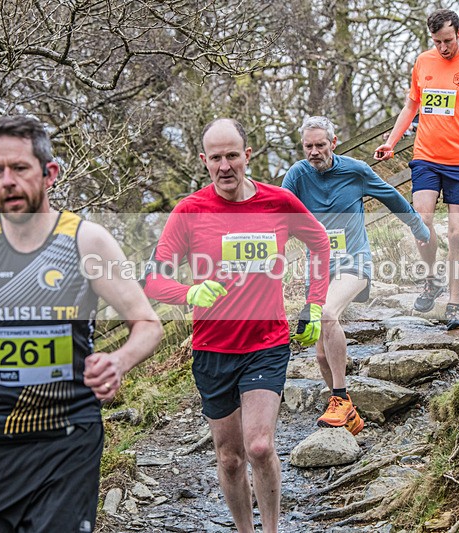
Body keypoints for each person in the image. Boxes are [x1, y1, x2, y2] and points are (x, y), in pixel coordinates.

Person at [0, 115, 164, 532]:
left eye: (19, 168)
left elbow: (148, 324)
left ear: (49, 173)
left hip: (67, 436)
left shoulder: (86, 241)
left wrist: (119, 361)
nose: (7, 181)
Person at [143, 118, 330, 533]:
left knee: (259, 446)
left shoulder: (278, 202)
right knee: (230, 457)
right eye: (215, 158)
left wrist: (314, 305)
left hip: (267, 342)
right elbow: (154, 278)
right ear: (204, 162)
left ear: (247, 156)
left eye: (232, 155)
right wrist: (188, 293)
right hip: (213, 348)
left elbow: (319, 242)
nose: (225, 165)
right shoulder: (190, 211)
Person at [282, 116, 430, 435]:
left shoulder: (355, 170)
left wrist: (418, 227)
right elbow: (279, 215)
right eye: (308, 146)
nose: (314, 152)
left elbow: (391, 197)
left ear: (333, 143)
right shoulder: (297, 175)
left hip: (354, 262)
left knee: (328, 313)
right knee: (321, 354)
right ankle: (348, 409)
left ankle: (337, 399)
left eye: (320, 145)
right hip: (318, 270)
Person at [374, 9, 459, 332]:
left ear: (458, 33)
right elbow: (411, 105)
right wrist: (391, 141)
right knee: (421, 223)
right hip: (426, 156)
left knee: (457, 235)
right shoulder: (423, 62)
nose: (443, 47)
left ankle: (454, 304)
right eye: (437, 42)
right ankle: (431, 280)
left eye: (448, 40)